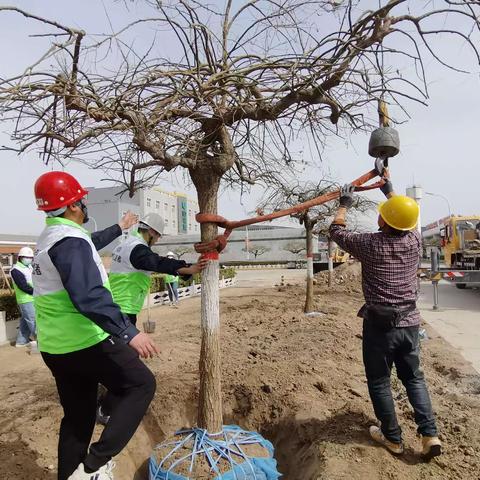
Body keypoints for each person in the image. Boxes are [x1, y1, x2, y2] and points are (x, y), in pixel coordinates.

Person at [32, 171, 155, 480]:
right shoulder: (70, 242)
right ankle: (95, 465)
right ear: (73, 205)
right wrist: (128, 332)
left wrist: (119, 227)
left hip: (56, 347)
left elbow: (90, 242)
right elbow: (88, 295)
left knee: (77, 419)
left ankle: (72, 476)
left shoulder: (51, 237)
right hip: (85, 342)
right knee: (140, 384)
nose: (85, 205)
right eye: (82, 200)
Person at [329, 179, 442, 460]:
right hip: (410, 323)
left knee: (379, 381)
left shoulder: (369, 244)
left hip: (380, 327)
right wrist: (388, 188)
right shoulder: (414, 240)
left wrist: (344, 204)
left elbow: (335, 230)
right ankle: (429, 435)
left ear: (384, 220)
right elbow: (407, 219)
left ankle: (393, 439)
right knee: (414, 378)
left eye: (383, 211)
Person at [109, 217, 205, 324]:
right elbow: (158, 263)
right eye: (158, 235)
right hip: (124, 307)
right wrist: (189, 268)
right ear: (151, 231)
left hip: (115, 304)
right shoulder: (138, 248)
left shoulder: (125, 244)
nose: (157, 240)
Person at [10, 246, 37, 348]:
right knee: (33, 321)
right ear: (20, 257)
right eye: (26, 257)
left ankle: (21, 341)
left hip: (32, 298)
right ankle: (42, 343)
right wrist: (37, 291)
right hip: (25, 300)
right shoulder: (15, 270)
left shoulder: (29, 267)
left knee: (25, 321)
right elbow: (23, 286)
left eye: (30, 257)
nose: (29, 259)